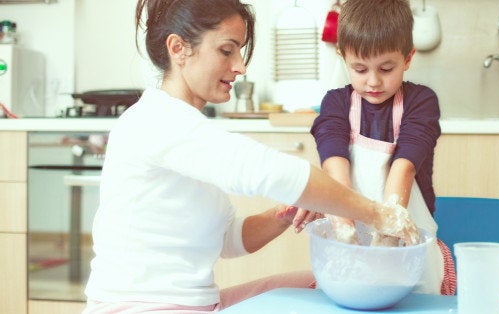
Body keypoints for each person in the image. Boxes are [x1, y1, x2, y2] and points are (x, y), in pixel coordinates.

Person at [82, 0, 419, 312]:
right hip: (142, 307)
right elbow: (272, 172)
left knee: (320, 285)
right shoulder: (158, 121)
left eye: (240, 52)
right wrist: (380, 215)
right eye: (227, 51)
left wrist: (283, 215)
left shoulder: (186, 127)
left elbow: (227, 240)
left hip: (197, 303)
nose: (240, 66)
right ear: (178, 49)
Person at [308, 0, 456, 295]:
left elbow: (405, 166)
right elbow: (334, 165)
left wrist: (387, 242)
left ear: (408, 58)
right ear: (343, 57)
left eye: (386, 68)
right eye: (359, 69)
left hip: (408, 253)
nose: (373, 81)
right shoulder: (336, 104)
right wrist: (345, 234)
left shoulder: (421, 102)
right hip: (347, 246)